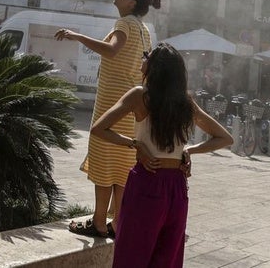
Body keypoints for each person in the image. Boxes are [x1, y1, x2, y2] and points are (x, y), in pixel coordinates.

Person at [91, 43, 233, 267]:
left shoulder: (140, 96)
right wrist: (188, 150)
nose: (142, 60)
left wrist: (135, 144)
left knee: (132, 254)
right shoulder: (185, 102)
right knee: (167, 258)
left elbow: (98, 128)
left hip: (147, 179)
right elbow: (225, 138)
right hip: (177, 186)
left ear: (154, 66)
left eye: (146, 57)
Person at [56, 0, 160, 238]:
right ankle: (116, 222)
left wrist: (76, 35)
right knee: (121, 166)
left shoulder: (124, 24)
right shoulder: (144, 29)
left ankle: (99, 221)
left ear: (132, 1)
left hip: (111, 104)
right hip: (130, 106)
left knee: (104, 162)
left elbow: (112, 51)